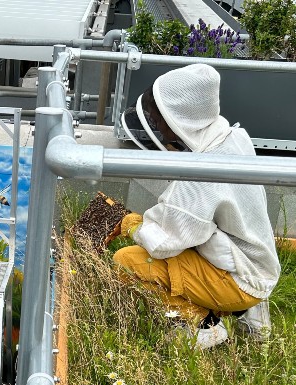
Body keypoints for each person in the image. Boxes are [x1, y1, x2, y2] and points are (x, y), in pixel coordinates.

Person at [114, 63, 281, 349]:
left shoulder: (202, 175)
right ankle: (248, 311)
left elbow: (164, 243)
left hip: (239, 277)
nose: (154, 124)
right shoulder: (231, 137)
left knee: (128, 261)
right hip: (257, 262)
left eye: (158, 117)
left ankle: (204, 327)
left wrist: (130, 224)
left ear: (179, 117)